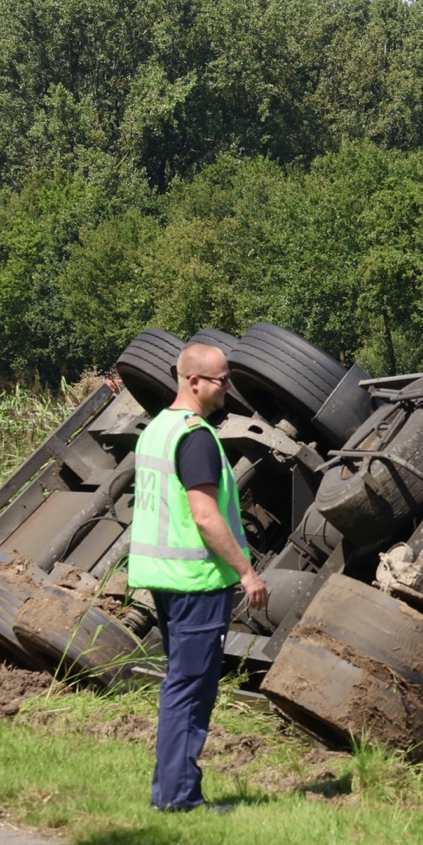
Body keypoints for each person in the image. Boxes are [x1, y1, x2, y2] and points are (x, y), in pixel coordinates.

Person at [126, 342, 269, 811]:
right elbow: (205, 516)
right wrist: (247, 572)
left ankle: (171, 791)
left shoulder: (157, 429)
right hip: (198, 582)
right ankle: (179, 797)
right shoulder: (196, 437)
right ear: (194, 382)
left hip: (166, 579)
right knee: (190, 691)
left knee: (180, 685)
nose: (228, 387)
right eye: (221, 379)